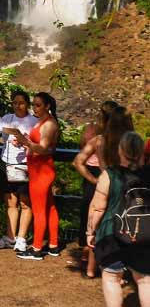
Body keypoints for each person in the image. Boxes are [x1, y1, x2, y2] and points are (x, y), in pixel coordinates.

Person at [86, 131, 149, 307]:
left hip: (112, 235)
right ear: (141, 151)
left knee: (112, 278)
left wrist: (90, 232)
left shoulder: (110, 175)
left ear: (120, 150)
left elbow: (97, 207)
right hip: (145, 236)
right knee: (145, 281)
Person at [72, 101, 122, 277]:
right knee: (114, 223)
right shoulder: (123, 139)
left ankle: (90, 267)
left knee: (94, 222)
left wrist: (95, 180)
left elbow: (78, 161)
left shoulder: (97, 139)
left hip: (102, 181)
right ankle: (111, 268)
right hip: (118, 184)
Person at [0, 90, 38, 252]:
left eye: (21, 103)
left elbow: (39, 142)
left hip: (25, 164)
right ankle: (10, 237)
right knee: (10, 202)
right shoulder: (6, 119)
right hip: (7, 163)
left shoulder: (33, 121)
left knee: (25, 203)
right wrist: (1, 138)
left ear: (27, 104)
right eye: (15, 103)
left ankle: (22, 238)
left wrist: (25, 141)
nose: (18, 106)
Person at [17, 92, 61, 260]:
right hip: (39, 170)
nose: (34, 108)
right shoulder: (44, 122)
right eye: (33, 105)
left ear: (47, 106)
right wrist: (26, 141)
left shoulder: (49, 124)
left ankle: (36, 249)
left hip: (41, 171)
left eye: (37, 105)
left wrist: (25, 141)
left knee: (39, 210)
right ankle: (53, 244)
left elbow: (42, 148)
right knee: (49, 207)